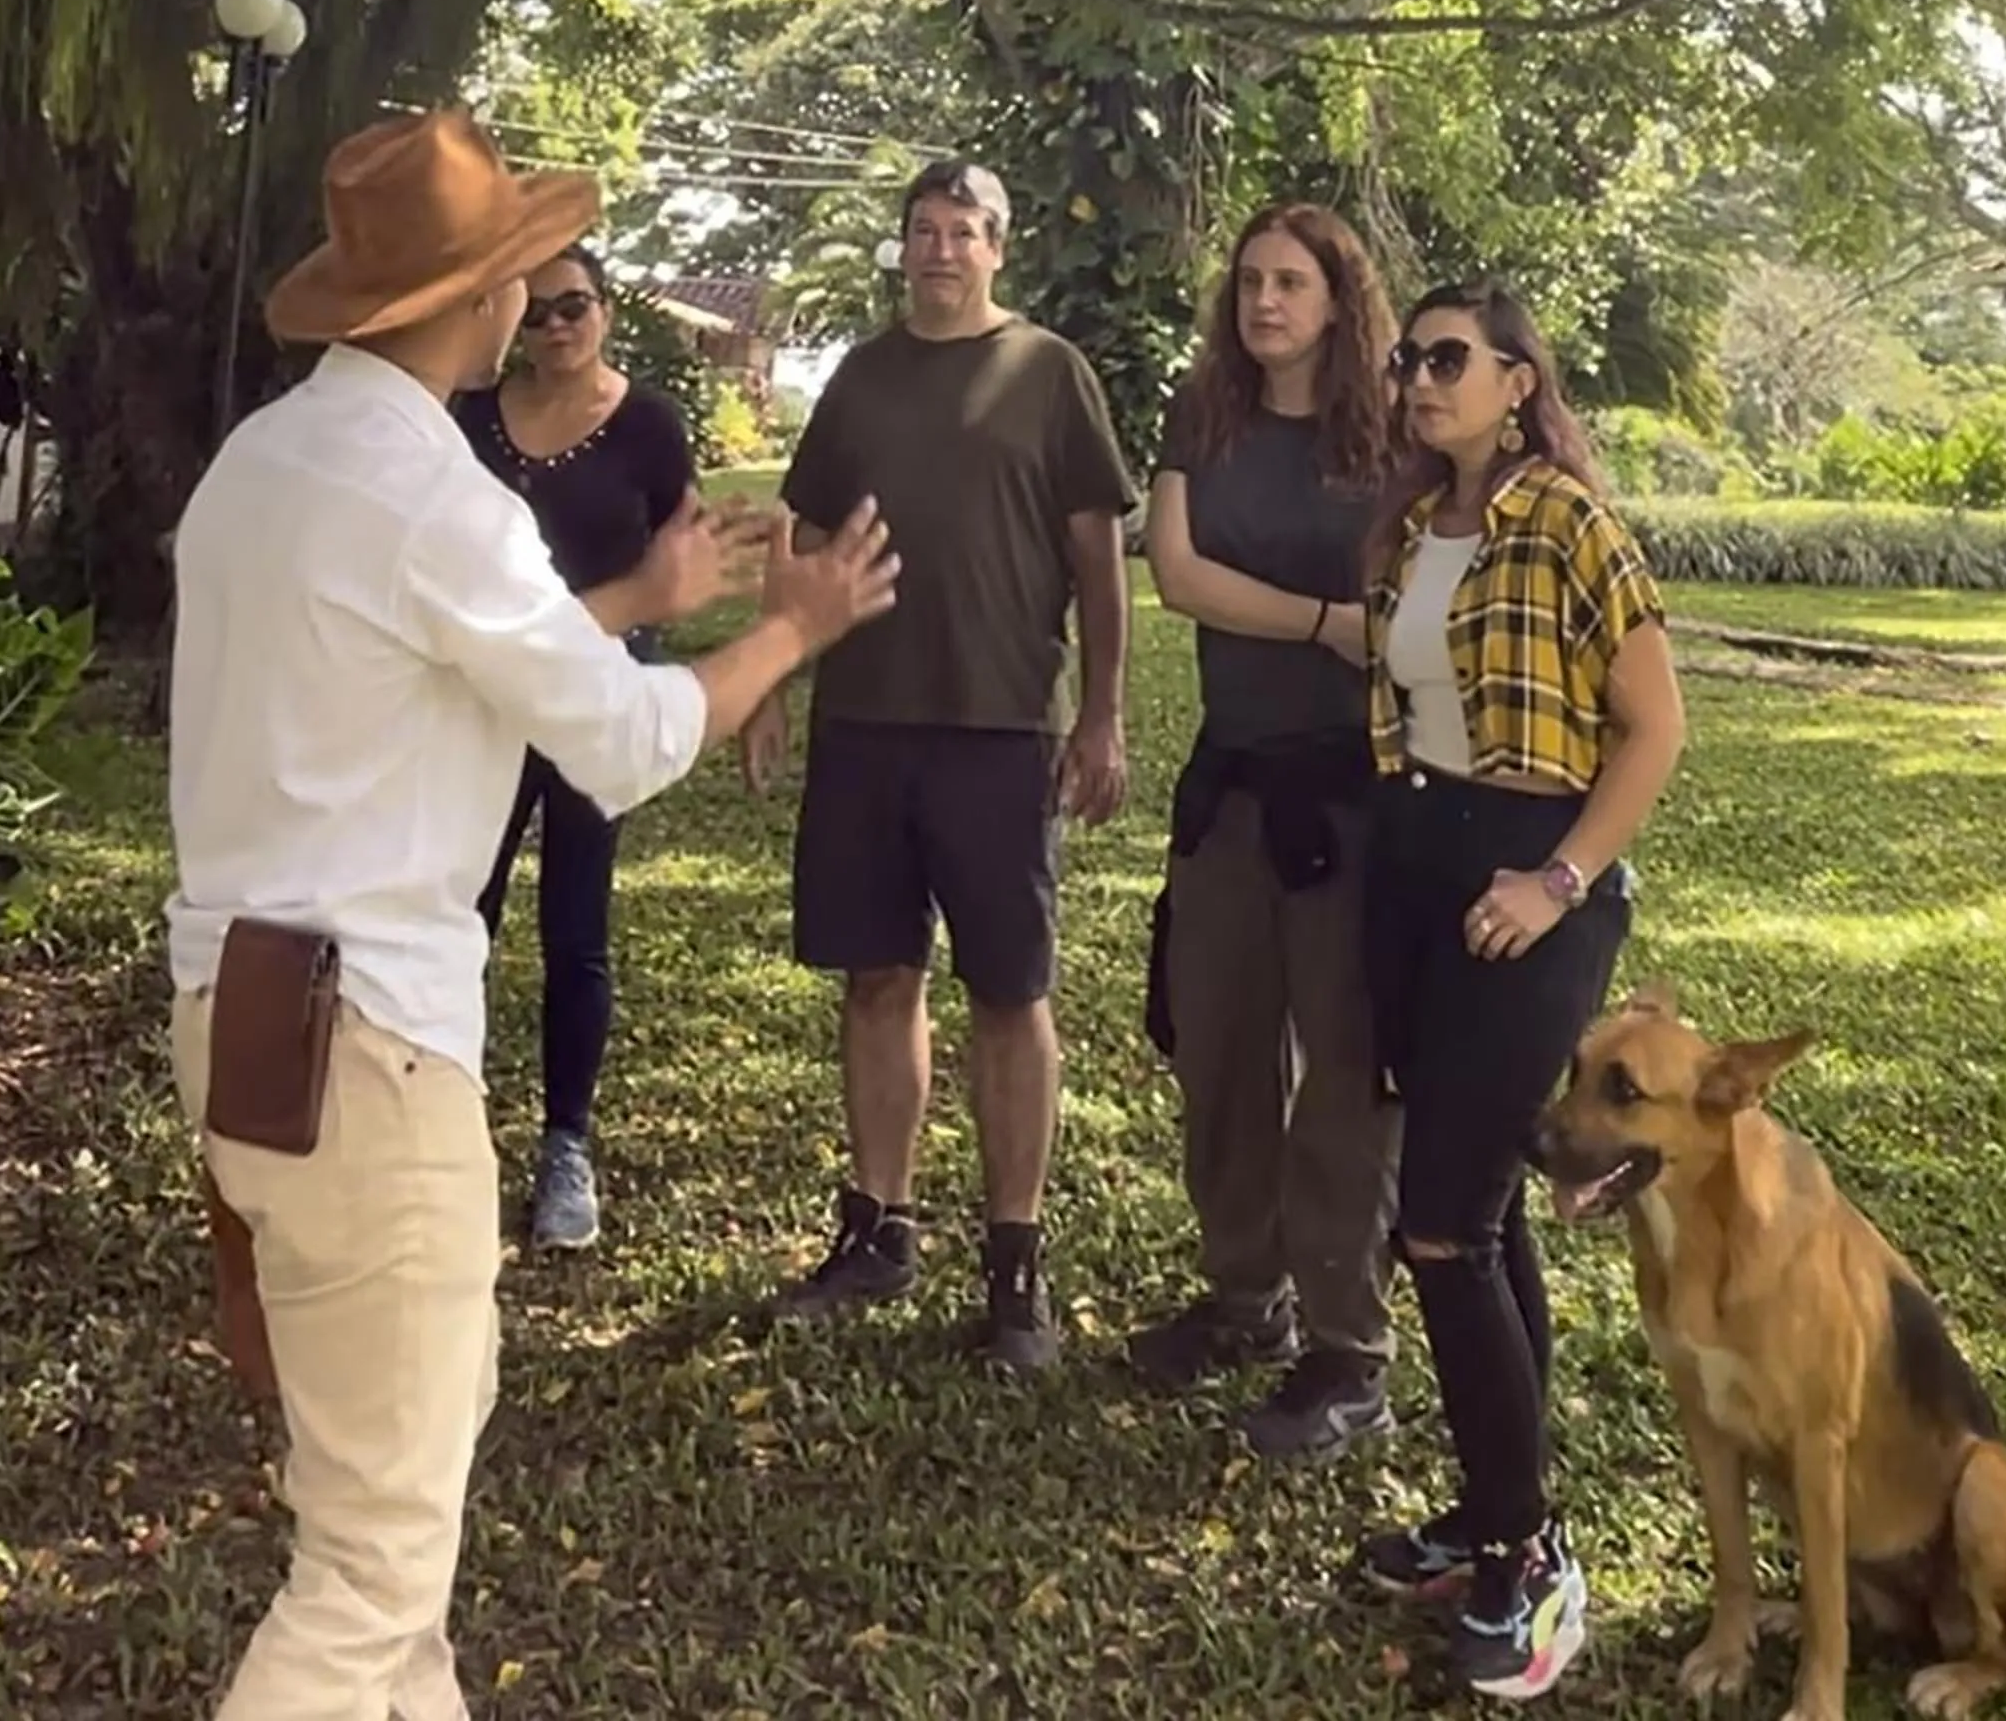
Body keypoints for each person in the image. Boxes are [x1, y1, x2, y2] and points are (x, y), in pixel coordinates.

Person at [162, 106, 900, 1721]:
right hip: (369, 1054)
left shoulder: (255, 470)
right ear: (484, 297)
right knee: (365, 1578)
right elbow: (627, 744)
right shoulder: (437, 497)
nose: (534, 303)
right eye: (519, 274)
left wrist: (634, 605)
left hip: (239, 1023)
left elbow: (425, 661)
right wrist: (792, 630)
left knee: (391, 1538)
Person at [741, 156, 1139, 1375]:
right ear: (903, 247)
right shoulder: (860, 377)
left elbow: (1098, 559)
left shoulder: (1049, 374)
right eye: (923, 229)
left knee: (1011, 995)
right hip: (868, 724)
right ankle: (879, 1226)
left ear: (998, 248)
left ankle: (1014, 1261)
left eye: (966, 230)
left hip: (1004, 728)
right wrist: (768, 677)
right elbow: (800, 533)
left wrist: (1104, 714)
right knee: (877, 977)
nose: (942, 249)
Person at [1349, 279, 1688, 1703]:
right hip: (1420, 870)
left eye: (1447, 359)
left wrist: (1553, 881)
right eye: (1406, 360)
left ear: (1514, 381)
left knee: (1437, 1226)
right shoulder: (1410, 522)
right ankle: (1495, 1511)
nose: (1419, 380)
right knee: (1475, 1215)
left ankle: (1531, 1554)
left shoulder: (1566, 517)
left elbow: (1656, 725)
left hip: (1528, 883)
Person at [1129, 201, 1404, 1464]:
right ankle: (1246, 1298)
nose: (1265, 302)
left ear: (1340, 301)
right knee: (1221, 1056)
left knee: (1344, 1080)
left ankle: (1349, 1348)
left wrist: (1352, 632)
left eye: (1292, 282)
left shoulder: (1391, 435)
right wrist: (1318, 624)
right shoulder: (1206, 413)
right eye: (1249, 281)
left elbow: (1406, 600)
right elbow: (1175, 574)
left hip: (1351, 796)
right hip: (1229, 788)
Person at [455, 242, 693, 1251]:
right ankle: (444, 1126)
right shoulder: (469, 419)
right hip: (485, 705)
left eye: (577, 306)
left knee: (575, 928)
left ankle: (565, 1148)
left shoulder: (648, 427)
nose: (557, 326)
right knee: (461, 914)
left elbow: (683, 552)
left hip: (594, 702)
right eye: (540, 309)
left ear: (606, 311)